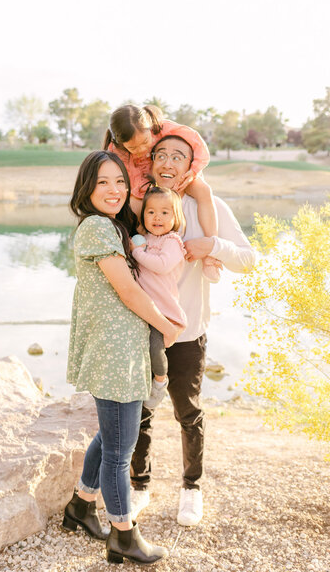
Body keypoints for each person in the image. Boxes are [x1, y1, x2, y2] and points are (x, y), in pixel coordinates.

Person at [130, 136, 256, 526]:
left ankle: (191, 489)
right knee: (139, 414)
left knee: (188, 412)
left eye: (178, 156)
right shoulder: (140, 205)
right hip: (143, 331)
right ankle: (139, 487)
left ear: (191, 165)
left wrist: (212, 246)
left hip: (188, 333)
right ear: (150, 161)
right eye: (161, 155)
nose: (168, 162)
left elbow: (249, 260)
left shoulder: (210, 207)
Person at [63, 150, 180, 565]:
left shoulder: (112, 227)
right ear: (87, 189)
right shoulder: (97, 228)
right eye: (102, 183)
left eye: (119, 181)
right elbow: (128, 293)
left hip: (123, 350)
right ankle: (123, 534)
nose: (114, 190)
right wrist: (165, 324)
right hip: (114, 354)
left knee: (112, 435)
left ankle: (80, 506)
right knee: (120, 452)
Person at [103, 104, 221, 282]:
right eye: (134, 148)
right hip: (141, 182)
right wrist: (141, 191)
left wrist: (194, 171)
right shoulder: (116, 150)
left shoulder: (162, 127)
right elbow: (124, 176)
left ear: (150, 127)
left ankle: (211, 255)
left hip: (175, 174)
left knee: (203, 190)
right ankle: (137, 258)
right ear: (122, 145)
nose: (142, 150)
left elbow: (199, 144)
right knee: (135, 206)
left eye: (145, 142)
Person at [131, 184, 187, 409]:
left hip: (162, 309)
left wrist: (137, 252)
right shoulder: (142, 239)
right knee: (139, 348)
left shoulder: (172, 241)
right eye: (151, 212)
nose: (157, 217)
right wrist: (137, 247)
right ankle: (140, 382)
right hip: (141, 307)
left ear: (175, 217)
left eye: (165, 212)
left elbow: (162, 266)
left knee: (155, 346)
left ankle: (160, 381)